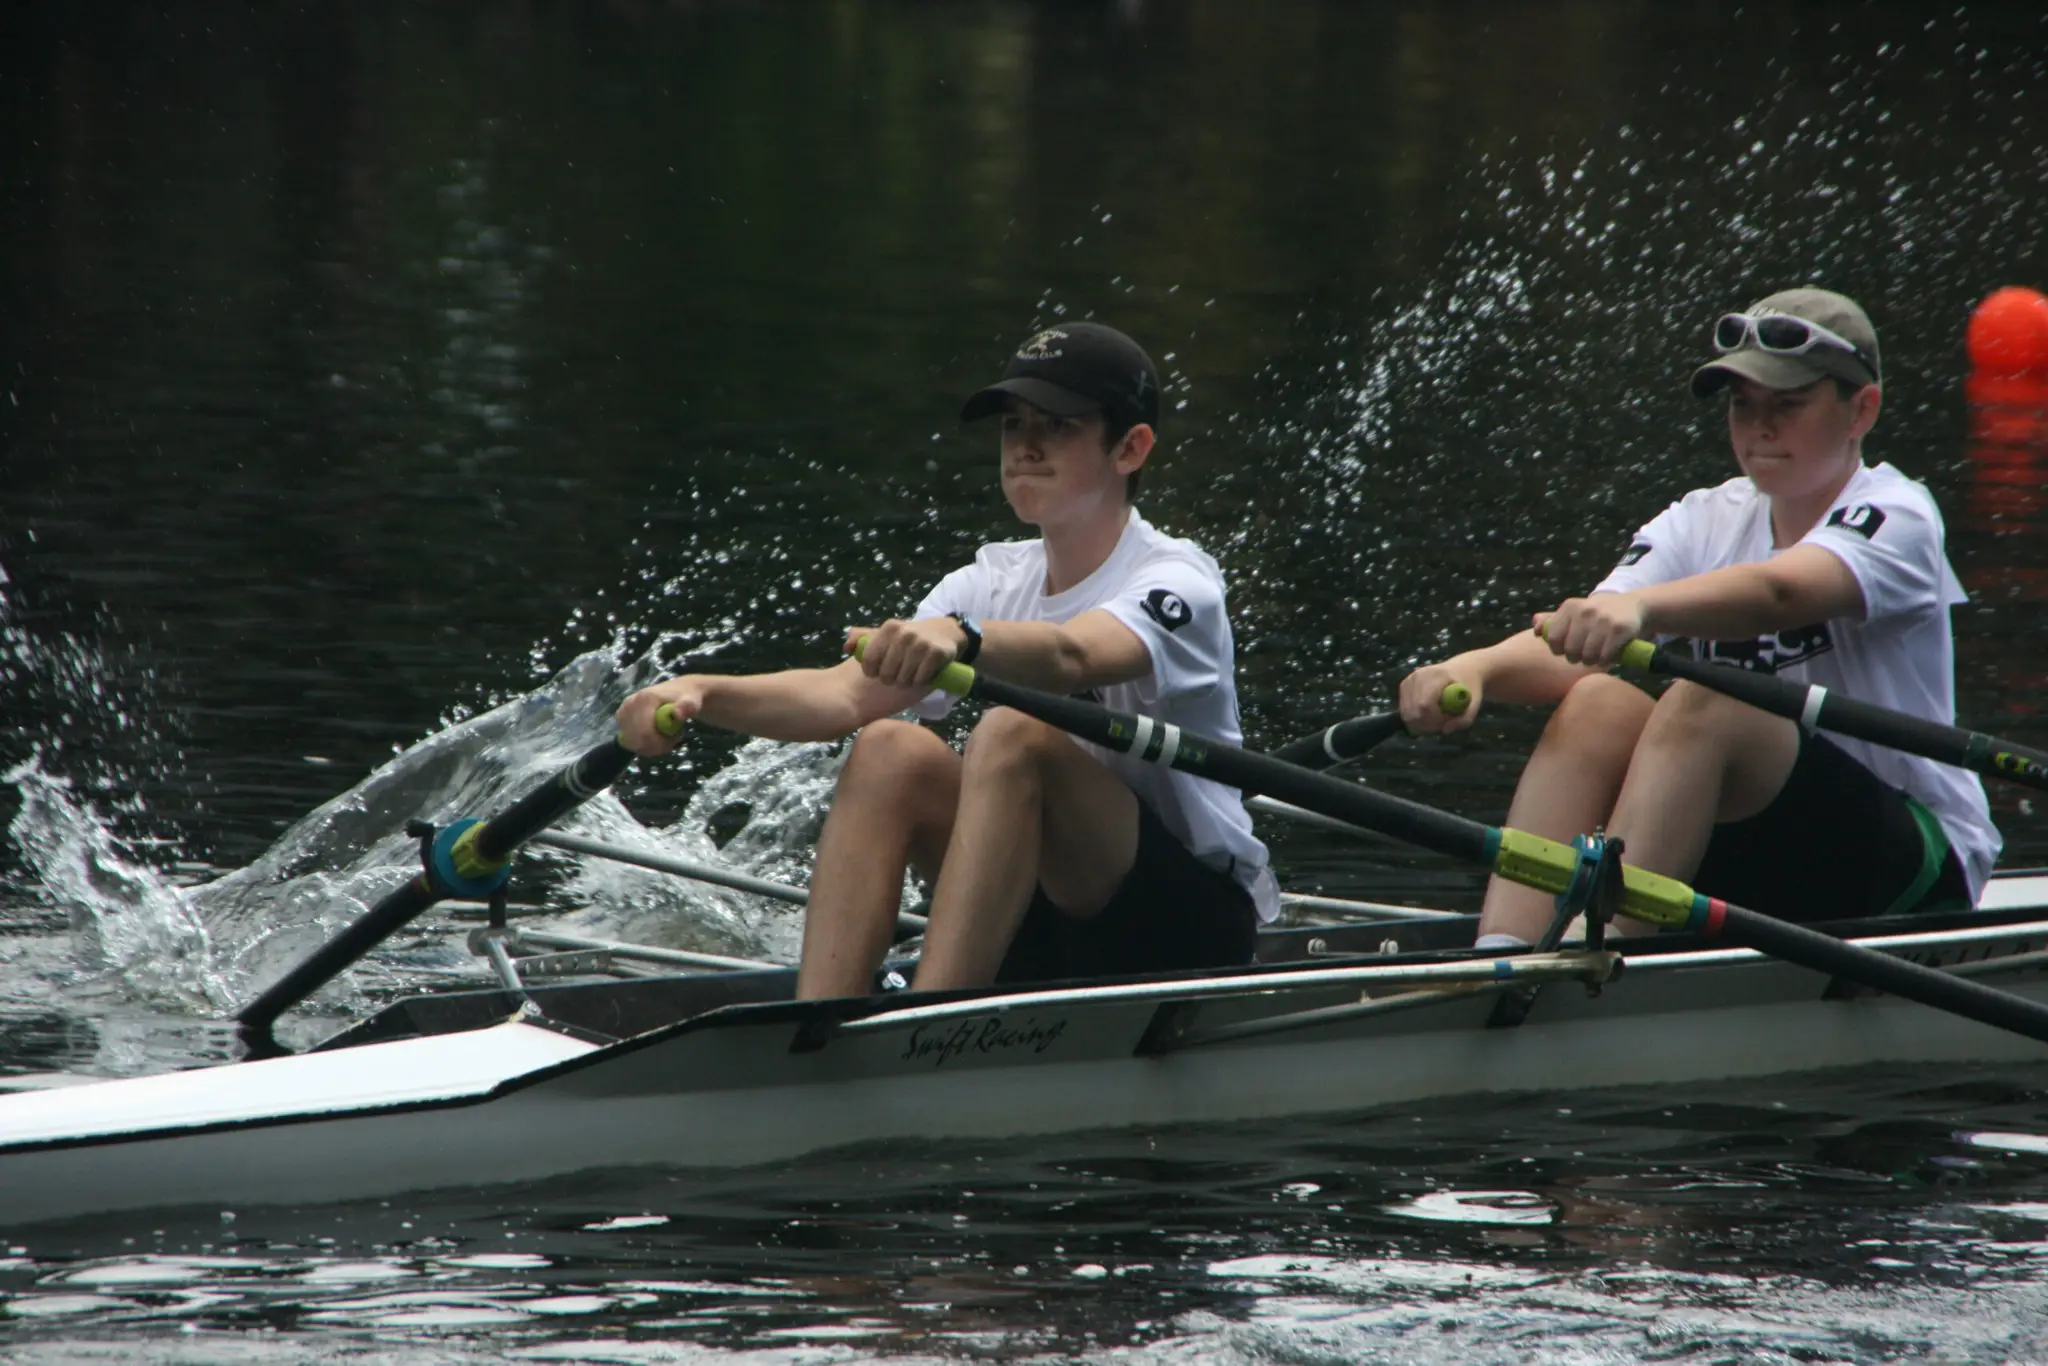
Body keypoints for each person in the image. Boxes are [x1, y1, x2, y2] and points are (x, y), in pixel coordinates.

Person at [617, 322, 1276, 997]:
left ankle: (929, 1021)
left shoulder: (1178, 581)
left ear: (1130, 448)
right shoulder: (989, 582)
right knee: (888, 748)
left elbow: (1076, 653)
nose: (1025, 446)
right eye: (1013, 425)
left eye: (1058, 426)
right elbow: (840, 697)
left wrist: (964, 637)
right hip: (1037, 915)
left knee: (1013, 733)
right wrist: (700, 692)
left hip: (1182, 928)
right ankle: (818, 1021)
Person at [1398, 288, 2000, 946]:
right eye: (1743, 404)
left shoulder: (1897, 512)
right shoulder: (1702, 518)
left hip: (1910, 868)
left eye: (1788, 405)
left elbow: (1780, 593)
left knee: (1703, 703)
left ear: (1862, 409)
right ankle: (1506, 954)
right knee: (1597, 701)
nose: (1760, 427)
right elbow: (1586, 635)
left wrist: (1642, 608)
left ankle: (1600, 957)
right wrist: (1474, 668)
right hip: (1770, 846)